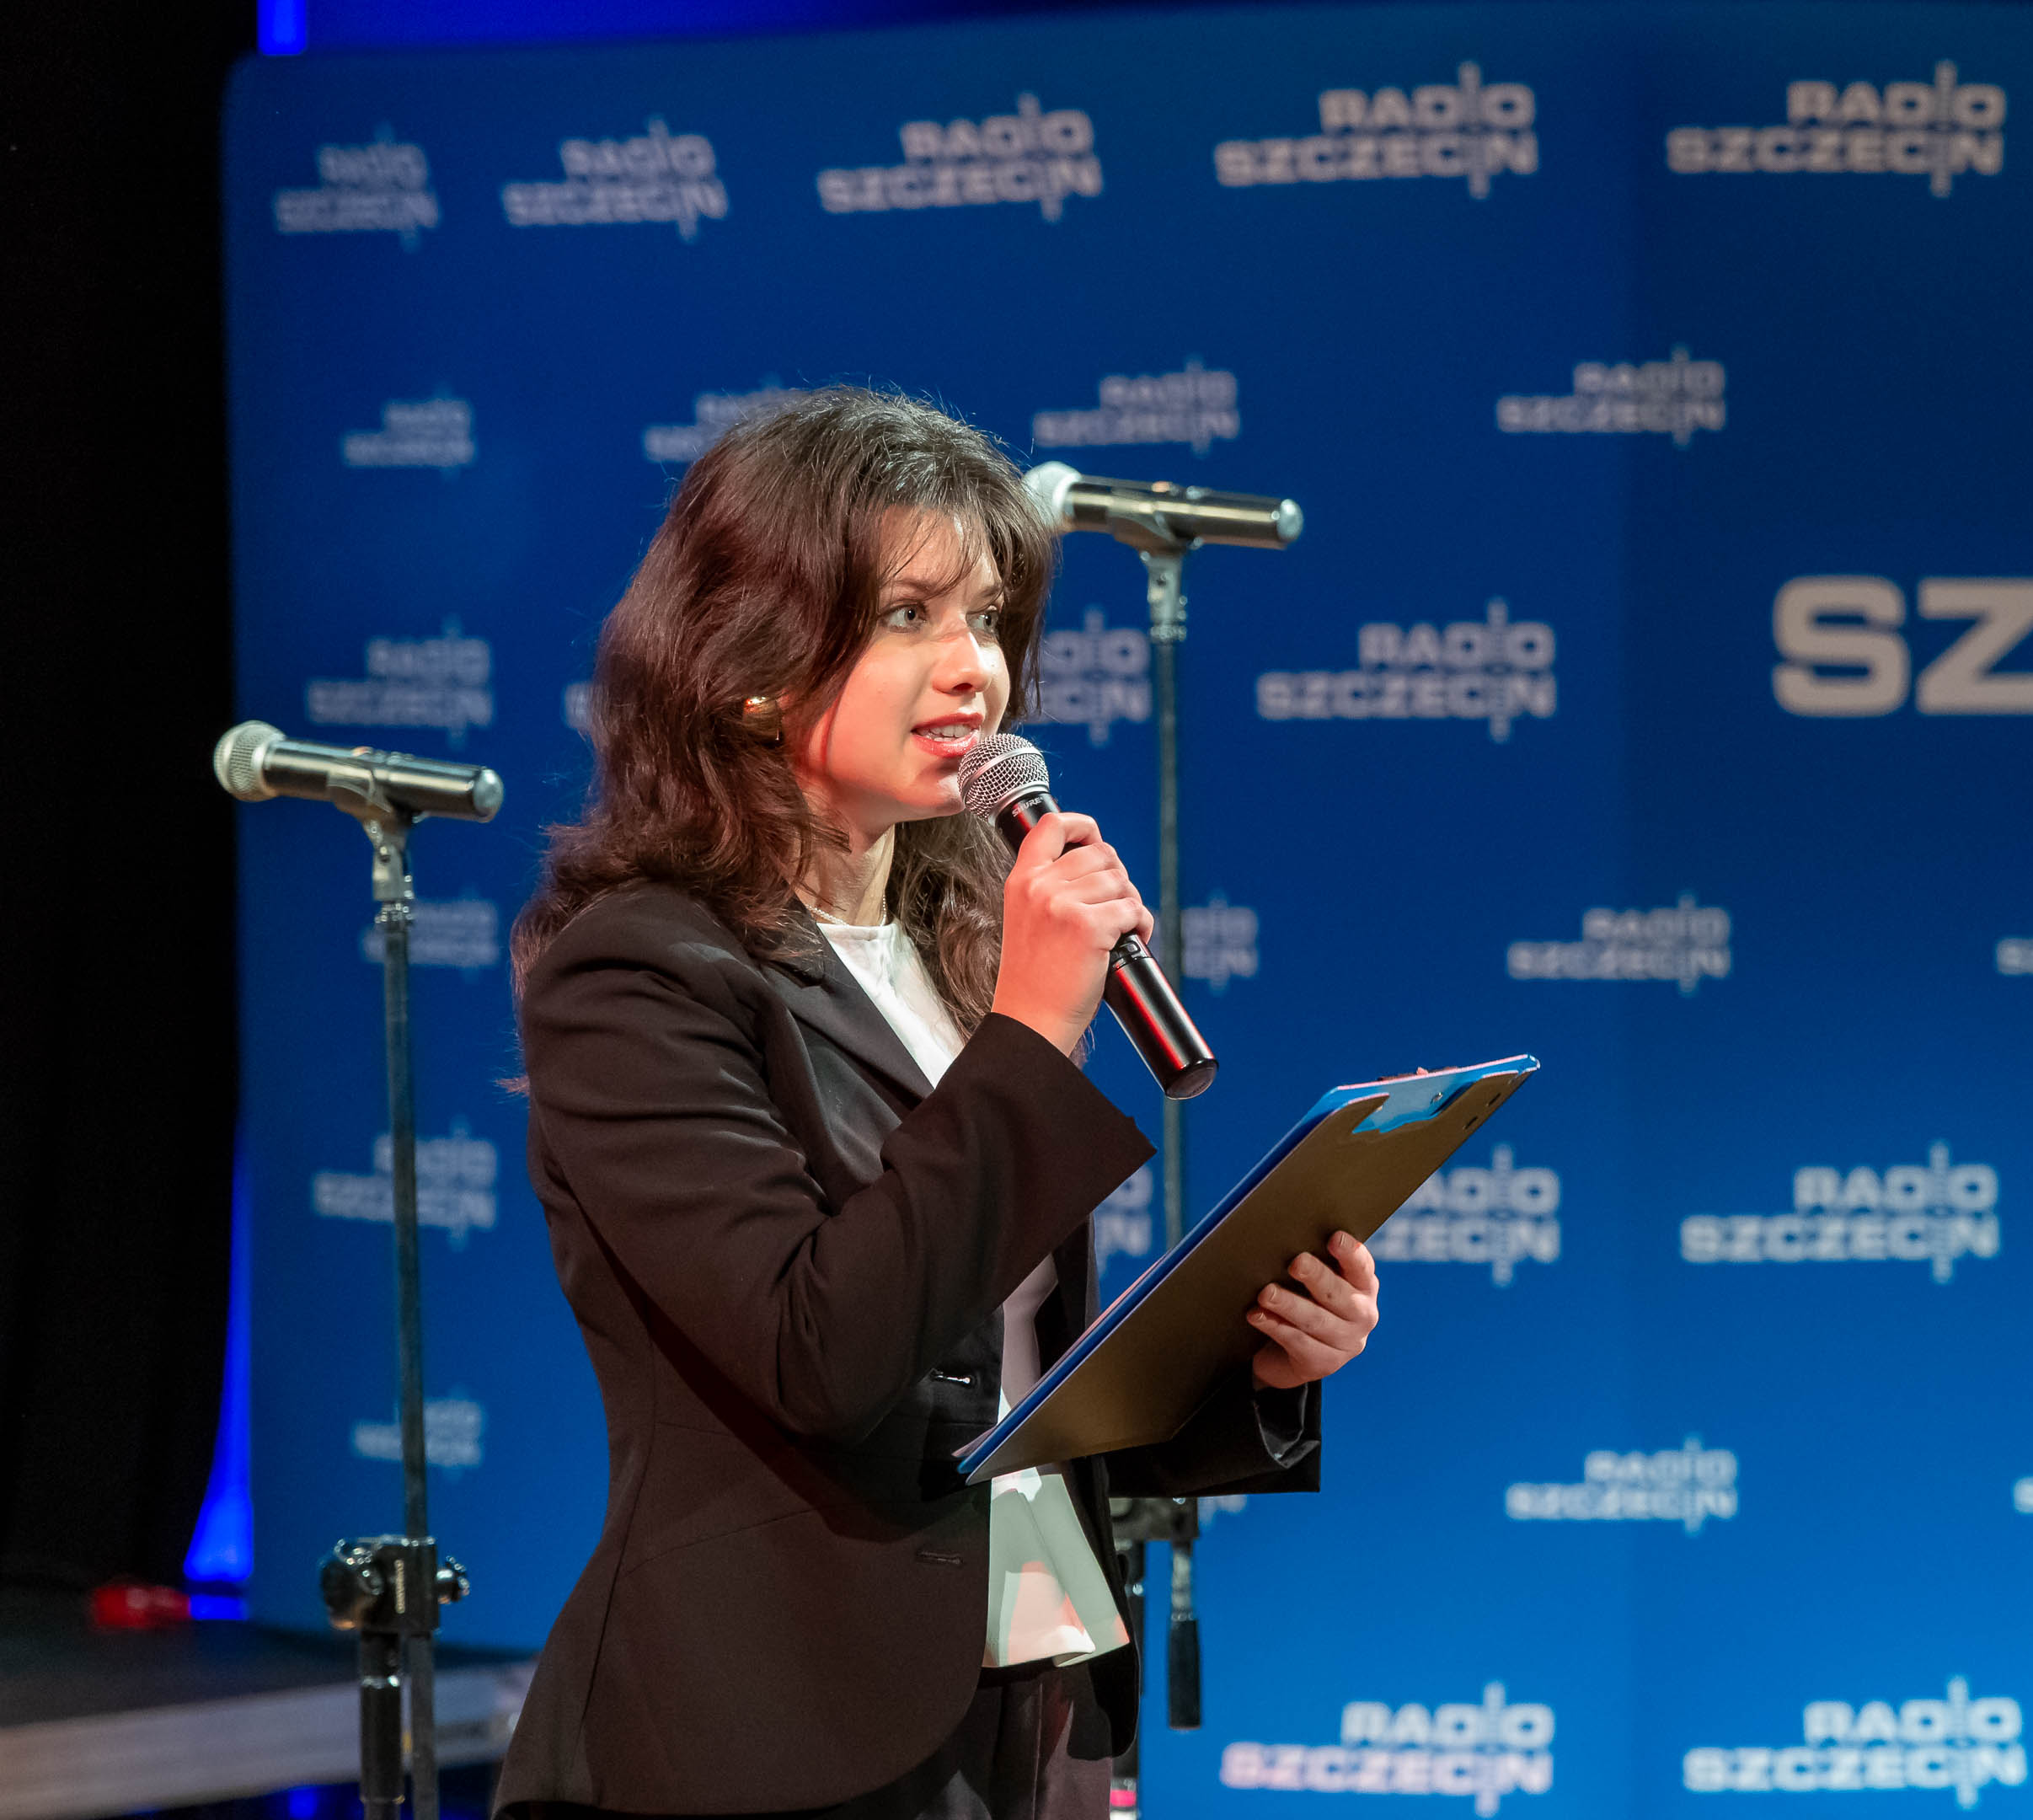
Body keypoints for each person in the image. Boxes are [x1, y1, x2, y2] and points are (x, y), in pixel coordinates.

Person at [495, 388, 1382, 1820]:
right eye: (907, 615)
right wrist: (1032, 1030)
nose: (975, 667)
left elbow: (998, 1376)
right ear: (750, 666)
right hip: (775, 1728)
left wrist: (1262, 1369)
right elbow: (821, 1353)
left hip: (1034, 1691)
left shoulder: (954, 945)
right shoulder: (639, 974)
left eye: (987, 617)